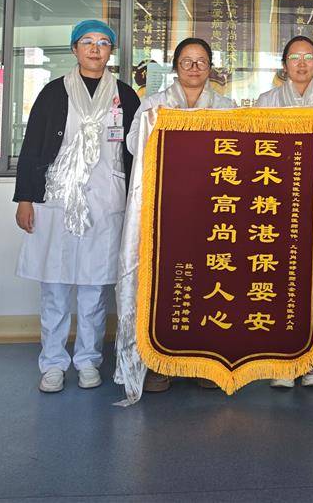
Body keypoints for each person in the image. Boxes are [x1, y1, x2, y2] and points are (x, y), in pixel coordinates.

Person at [14, 19, 140, 394]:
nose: (95, 49)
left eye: (103, 42)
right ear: (74, 49)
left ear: (111, 51)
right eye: (87, 42)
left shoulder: (125, 96)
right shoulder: (53, 93)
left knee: (94, 289)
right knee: (54, 288)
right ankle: (53, 363)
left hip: (106, 200)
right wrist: (25, 198)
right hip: (56, 200)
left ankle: (88, 361)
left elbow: (137, 152)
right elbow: (32, 147)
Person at [126, 37, 237, 393]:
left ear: (210, 68)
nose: (194, 68)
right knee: (164, 281)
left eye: (201, 61)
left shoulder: (226, 107)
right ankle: (161, 363)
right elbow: (132, 144)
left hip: (212, 207)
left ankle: (205, 362)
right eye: (187, 61)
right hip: (165, 207)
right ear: (175, 66)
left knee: (209, 281)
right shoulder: (154, 104)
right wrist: (156, 126)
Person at [255, 35, 313, 389]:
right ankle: (281, 361)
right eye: (294, 57)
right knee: (277, 277)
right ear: (284, 64)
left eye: (308, 57)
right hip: (277, 200)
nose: (301, 63)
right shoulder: (267, 101)